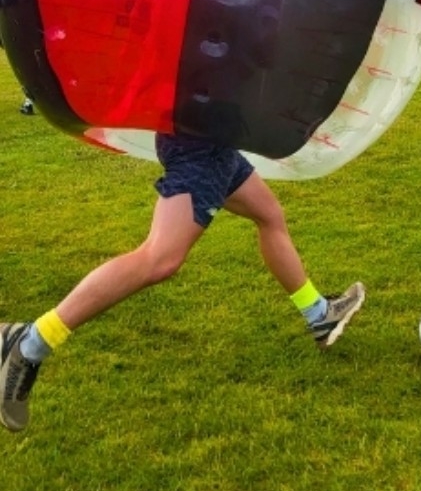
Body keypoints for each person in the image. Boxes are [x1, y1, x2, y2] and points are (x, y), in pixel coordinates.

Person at [0, 131, 366, 432]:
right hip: (200, 146)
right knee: (159, 258)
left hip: (213, 140)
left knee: (268, 214)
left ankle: (319, 314)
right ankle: (29, 342)